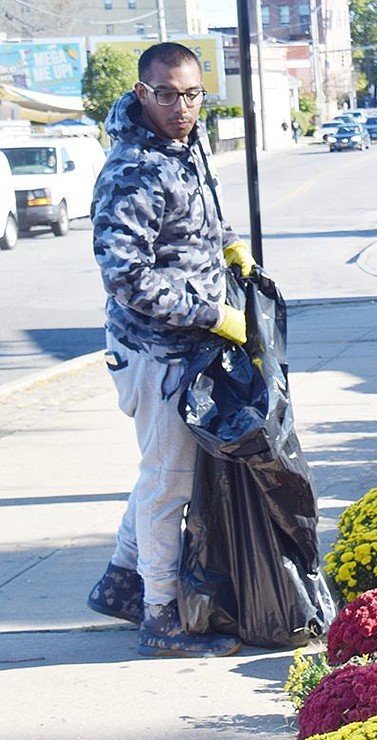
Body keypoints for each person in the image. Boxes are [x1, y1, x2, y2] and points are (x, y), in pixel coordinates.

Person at [86, 42, 254, 658]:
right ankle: (160, 615)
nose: (181, 107)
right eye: (166, 94)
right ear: (141, 94)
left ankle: (120, 582)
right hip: (155, 352)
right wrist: (212, 312)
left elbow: (201, 217)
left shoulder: (187, 145)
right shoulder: (132, 169)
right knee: (169, 481)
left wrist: (231, 247)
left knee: (161, 470)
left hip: (192, 347)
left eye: (191, 94)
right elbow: (126, 278)